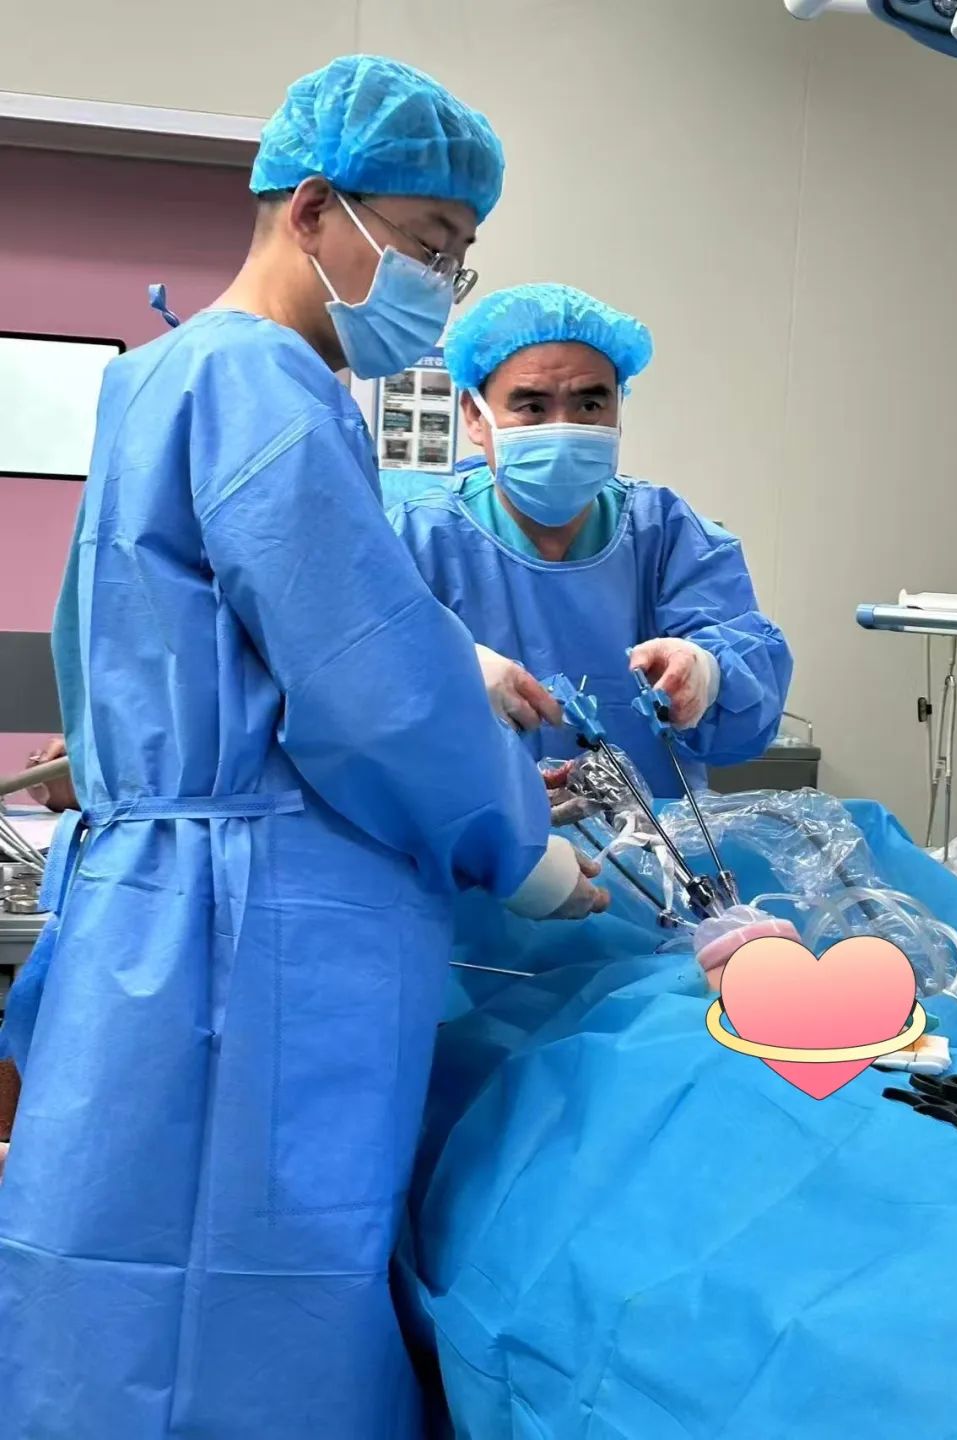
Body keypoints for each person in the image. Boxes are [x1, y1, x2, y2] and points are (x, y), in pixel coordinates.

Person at [0, 57, 608, 1440]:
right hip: (256, 933)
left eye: (457, 258)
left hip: (153, 912)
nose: (439, 286)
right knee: (254, 1298)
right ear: (317, 208)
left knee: (105, 1281)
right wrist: (521, 852)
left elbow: (218, 626)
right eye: (429, 245)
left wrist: (449, 654)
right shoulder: (264, 382)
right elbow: (370, 691)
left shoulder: (163, 374)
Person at [389, 283, 794, 799]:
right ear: (474, 415)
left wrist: (710, 673)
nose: (563, 428)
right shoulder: (419, 537)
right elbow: (348, 688)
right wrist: (441, 674)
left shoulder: (664, 532)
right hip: (472, 839)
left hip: (647, 839)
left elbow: (748, 695)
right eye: (532, 406)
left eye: (589, 403)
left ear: (618, 408)